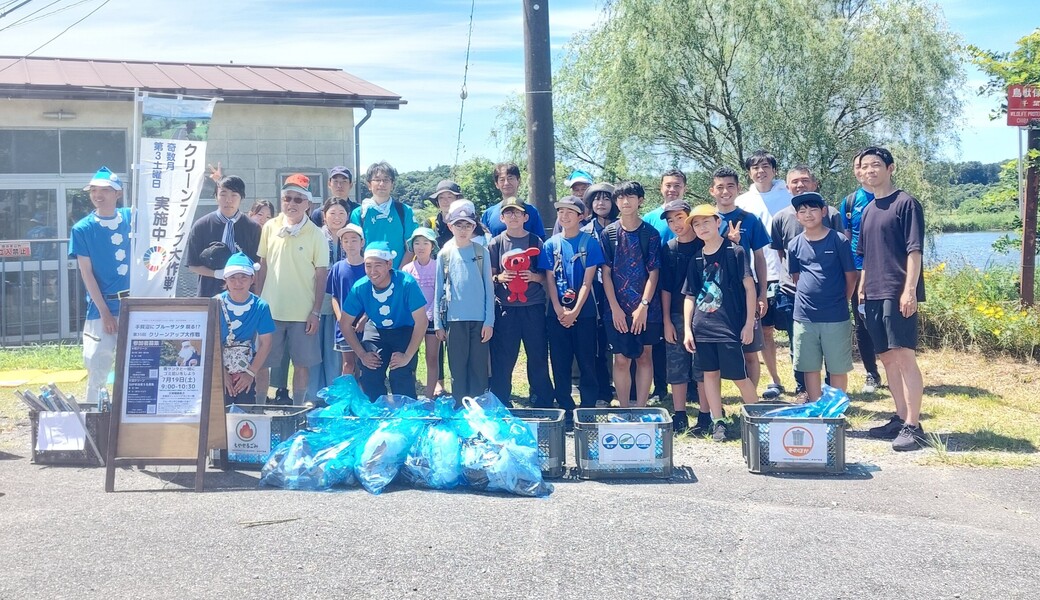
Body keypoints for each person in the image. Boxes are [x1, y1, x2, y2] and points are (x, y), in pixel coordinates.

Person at [857, 146, 927, 451]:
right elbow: (866, 257)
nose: (870, 170)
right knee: (886, 358)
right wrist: (861, 289)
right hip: (872, 291)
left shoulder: (906, 203)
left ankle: (914, 424)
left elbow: (915, 251)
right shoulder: (868, 210)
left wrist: (909, 289)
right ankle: (899, 418)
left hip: (897, 291)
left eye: (876, 165)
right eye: (865, 166)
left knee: (903, 356)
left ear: (890, 168)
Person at [682, 204, 760, 442]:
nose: (701, 227)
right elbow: (690, 296)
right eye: (696, 224)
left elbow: (749, 288)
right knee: (709, 376)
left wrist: (748, 324)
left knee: (739, 376)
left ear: (718, 222)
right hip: (702, 327)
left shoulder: (734, 252)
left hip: (728, 327)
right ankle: (718, 421)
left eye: (706, 222)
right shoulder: (695, 258)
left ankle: (759, 420)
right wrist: (687, 329)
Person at [770, 166, 845, 401]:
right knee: (800, 345)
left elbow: (846, 263)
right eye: (794, 182)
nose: (800, 185)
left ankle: (830, 394)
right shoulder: (781, 216)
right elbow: (783, 254)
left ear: (814, 183)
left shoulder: (831, 213)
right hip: (793, 293)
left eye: (805, 180)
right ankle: (804, 390)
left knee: (831, 349)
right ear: (787, 186)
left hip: (831, 297)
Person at [254, 173, 330, 406]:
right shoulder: (269, 226)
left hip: (303, 312)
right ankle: (258, 408)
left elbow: (321, 274)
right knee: (262, 362)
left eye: (298, 200)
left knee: (302, 364)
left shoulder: (317, 234)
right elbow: (263, 266)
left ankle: (298, 410)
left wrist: (315, 312)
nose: (292, 204)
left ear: (308, 204)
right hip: (270, 310)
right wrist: (256, 304)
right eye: (287, 198)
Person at [69, 167, 131, 408]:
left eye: (105, 189)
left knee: (137, 366)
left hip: (134, 303)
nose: (98, 194)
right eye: (94, 190)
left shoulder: (131, 217)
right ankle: (94, 421)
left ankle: (131, 420)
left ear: (118, 192)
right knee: (97, 364)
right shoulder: (82, 228)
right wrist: (105, 312)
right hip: (102, 305)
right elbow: (87, 273)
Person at [787, 192, 857, 401]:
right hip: (804, 316)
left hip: (835, 315)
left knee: (837, 366)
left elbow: (851, 276)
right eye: (802, 211)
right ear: (797, 216)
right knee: (809, 366)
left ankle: (835, 410)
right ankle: (816, 408)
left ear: (824, 212)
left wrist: (842, 300)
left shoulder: (839, 240)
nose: (808, 214)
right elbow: (796, 277)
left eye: (813, 209)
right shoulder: (794, 244)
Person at [339, 242, 429, 400]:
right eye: (368, 266)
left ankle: (405, 417)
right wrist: (361, 354)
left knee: (401, 374)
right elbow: (345, 323)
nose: (372, 272)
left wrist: (407, 356)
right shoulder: (360, 287)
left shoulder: (407, 283)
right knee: (370, 371)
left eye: (378, 265)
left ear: (389, 264)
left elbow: (422, 322)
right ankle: (375, 416)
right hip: (376, 328)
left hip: (404, 329)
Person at [487, 197, 555, 407]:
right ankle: (501, 400)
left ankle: (542, 399)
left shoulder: (536, 242)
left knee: (537, 356)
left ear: (526, 217)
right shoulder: (496, 243)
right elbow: (489, 276)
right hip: (506, 308)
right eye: (508, 213)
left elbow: (547, 275)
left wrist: (534, 277)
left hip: (533, 307)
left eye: (517, 212)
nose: (513, 216)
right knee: (504, 358)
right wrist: (499, 278)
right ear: (502, 217)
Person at [600, 181, 662, 408]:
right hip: (616, 309)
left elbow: (654, 272)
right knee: (621, 359)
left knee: (645, 356)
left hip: (647, 309)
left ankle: (641, 407)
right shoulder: (608, 233)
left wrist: (643, 306)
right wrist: (615, 308)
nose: (626, 202)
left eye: (631, 197)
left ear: (641, 200)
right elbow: (605, 273)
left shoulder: (650, 234)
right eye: (621, 198)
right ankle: (625, 407)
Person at [735, 150, 791, 400]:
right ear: (749, 172)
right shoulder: (742, 202)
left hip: (790, 275)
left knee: (795, 330)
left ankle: (804, 381)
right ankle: (774, 380)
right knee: (765, 331)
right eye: (755, 167)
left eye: (765, 166)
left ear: (774, 170)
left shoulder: (789, 197)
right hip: (758, 277)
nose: (761, 171)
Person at [709, 167, 769, 397]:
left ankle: (749, 403)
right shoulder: (705, 219)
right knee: (714, 357)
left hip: (745, 293)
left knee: (750, 351)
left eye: (730, 186)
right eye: (720, 187)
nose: (725, 191)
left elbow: (760, 259)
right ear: (712, 190)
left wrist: (762, 293)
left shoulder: (750, 220)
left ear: (738, 189)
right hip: (713, 295)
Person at [543, 195, 605, 416]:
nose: (564, 216)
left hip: (585, 312)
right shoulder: (551, 244)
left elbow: (588, 281)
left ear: (581, 216)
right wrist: (560, 310)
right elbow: (549, 278)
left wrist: (575, 311)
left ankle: (587, 407)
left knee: (587, 359)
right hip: (556, 313)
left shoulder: (590, 244)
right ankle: (565, 407)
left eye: (570, 212)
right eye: (561, 212)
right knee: (560, 361)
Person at [434, 200, 495, 399]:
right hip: (454, 320)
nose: (463, 229)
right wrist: (438, 324)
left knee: (478, 368)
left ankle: (478, 408)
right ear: (450, 226)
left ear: (474, 227)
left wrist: (489, 321)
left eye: (467, 225)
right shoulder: (444, 254)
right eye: (458, 225)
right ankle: (459, 406)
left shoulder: (481, 252)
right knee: (457, 369)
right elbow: (438, 291)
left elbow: (489, 288)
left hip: (479, 320)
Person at [658, 200, 710, 433]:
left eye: (680, 217)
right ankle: (679, 414)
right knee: (676, 365)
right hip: (677, 315)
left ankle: (706, 414)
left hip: (707, 315)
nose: (676, 224)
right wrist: (667, 320)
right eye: (670, 220)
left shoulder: (706, 245)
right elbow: (666, 288)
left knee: (703, 367)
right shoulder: (668, 248)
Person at [841, 153, 883, 393]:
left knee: (888, 321)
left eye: (870, 165)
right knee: (862, 322)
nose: (864, 170)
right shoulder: (849, 202)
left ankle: (897, 367)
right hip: (858, 271)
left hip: (886, 271)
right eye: (859, 166)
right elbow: (846, 240)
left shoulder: (892, 198)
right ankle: (871, 372)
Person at [185, 175, 261, 298]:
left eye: (234, 195)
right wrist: (215, 274)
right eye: (223, 194)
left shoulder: (253, 228)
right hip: (209, 294)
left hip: (243, 297)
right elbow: (193, 264)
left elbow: (258, 265)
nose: (228, 200)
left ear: (242, 197)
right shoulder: (201, 226)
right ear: (216, 197)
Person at [307, 198, 353, 401]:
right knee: (314, 347)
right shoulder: (315, 236)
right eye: (332, 213)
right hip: (316, 296)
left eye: (341, 213)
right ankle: (314, 394)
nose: (337, 217)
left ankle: (334, 395)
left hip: (341, 299)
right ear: (324, 215)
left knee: (335, 348)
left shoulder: (352, 236)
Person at [215, 252, 274, 406]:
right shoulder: (214, 303)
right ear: (225, 279)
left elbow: (266, 343)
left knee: (244, 414)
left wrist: (250, 373)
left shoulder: (261, 306)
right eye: (232, 278)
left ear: (252, 279)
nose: (238, 283)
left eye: (243, 277)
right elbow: (209, 341)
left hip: (246, 364)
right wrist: (222, 372)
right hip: (217, 365)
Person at [581, 182, 619, 406]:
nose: (601, 203)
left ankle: (629, 390)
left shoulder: (622, 227)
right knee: (596, 344)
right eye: (596, 199)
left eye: (606, 198)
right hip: (594, 290)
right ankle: (602, 391)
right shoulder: (584, 231)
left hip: (619, 290)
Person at [400, 227, 442, 398]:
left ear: (433, 246)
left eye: (426, 243)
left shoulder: (439, 267)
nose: (421, 246)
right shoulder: (407, 269)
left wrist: (430, 314)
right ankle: (410, 394)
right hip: (412, 320)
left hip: (432, 318)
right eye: (417, 243)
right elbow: (404, 297)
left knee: (432, 358)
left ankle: (430, 396)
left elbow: (440, 293)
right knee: (410, 356)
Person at [350, 161, 416, 268]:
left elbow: (411, 247)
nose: (382, 184)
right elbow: (354, 248)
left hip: (398, 274)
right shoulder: (359, 213)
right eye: (377, 180)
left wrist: (399, 273)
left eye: (386, 180)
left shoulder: (404, 211)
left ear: (392, 184)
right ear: (369, 185)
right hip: (368, 275)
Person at [327, 224, 368, 378]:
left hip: (366, 324)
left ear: (362, 242)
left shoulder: (369, 267)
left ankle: (364, 396)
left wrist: (365, 318)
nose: (350, 244)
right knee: (348, 364)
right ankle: (347, 397)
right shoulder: (337, 268)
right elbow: (334, 296)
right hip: (345, 325)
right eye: (345, 240)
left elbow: (376, 296)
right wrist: (341, 318)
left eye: (354, 240)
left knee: (366, 363)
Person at [481, 162, 546, 239]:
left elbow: (540, 242)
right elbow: (484, 244)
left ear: (518, 181)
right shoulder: (488, 214)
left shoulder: (531, 211)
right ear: (496, 184)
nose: (506, 183)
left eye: (510, 178)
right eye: (502, 180)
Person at [426, 179, 487, 248]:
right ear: (437, 201)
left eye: (449, 197)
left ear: (457, 199)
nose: (445, 201)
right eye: (441, 197)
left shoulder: (471, 224)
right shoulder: (431, 224)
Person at [642, 169, 687, 246]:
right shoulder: (649, 218)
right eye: (668, 185)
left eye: (677, 186)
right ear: (661, 188)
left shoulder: (693, 216)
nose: (672, 190)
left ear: (685, 189)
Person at [550, 170, 594, 235]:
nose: (580, 193)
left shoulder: (597, 211)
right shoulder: (564, 217)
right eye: (576, 190)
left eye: (583, 189)